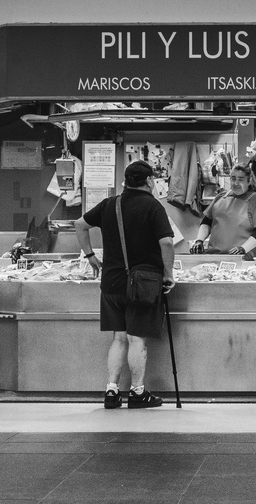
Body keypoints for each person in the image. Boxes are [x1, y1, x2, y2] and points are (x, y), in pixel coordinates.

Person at [76, 160, 176, 409]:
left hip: (111, 282)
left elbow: (79, 225)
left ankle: (111, 391)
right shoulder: (153, 206)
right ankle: (137, 393)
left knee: (118, 338)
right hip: (142, 285)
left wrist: (90, 257)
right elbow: (166, 243)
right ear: (150, 181)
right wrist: (169, 273)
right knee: (137, 339)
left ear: (125, 181)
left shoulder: (111, 204)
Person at [190, 164, 256, 257]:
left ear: (249, 181)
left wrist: (243, 248)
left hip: (241, 258)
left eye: (241, 179)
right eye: (233, 178)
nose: (236, 183)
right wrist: (199, 240)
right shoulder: (220, 197)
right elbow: (207, 221)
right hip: (213, 256)